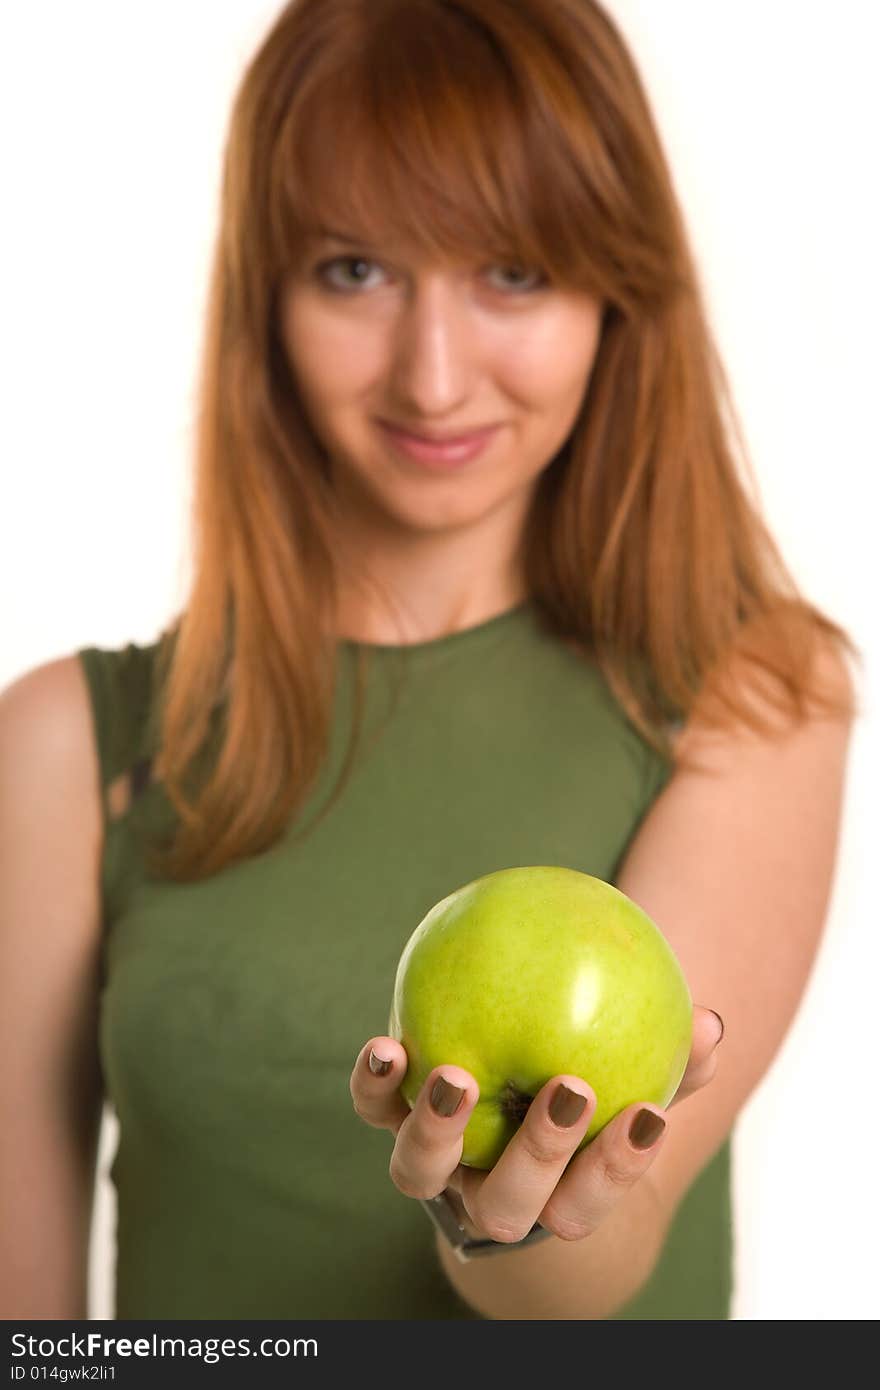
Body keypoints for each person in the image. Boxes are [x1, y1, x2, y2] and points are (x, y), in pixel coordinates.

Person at [0, 0, 859, 1322]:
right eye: (355, 270)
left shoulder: (752, 692)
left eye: (513, 270)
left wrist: (503, 1219)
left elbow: (597, 1268)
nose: (435, 374)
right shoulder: (73, 739)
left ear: (613, 288)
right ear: (265, 298)